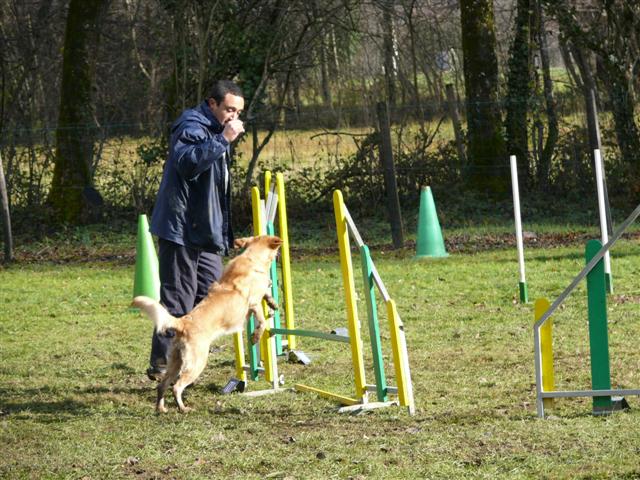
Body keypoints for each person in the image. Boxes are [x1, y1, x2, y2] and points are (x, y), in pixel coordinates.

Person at [146, 80, 245, 380]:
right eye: (229, 109)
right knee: (178, 298)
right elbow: (188, 164)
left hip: (203, 231)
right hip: (180, 227)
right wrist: (224, 139)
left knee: (211, 296)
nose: (234, 117)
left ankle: (189, 356)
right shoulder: (191, 124)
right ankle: (161, 364)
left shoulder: (216, 129)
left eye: (238, 111)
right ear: (212, 104)